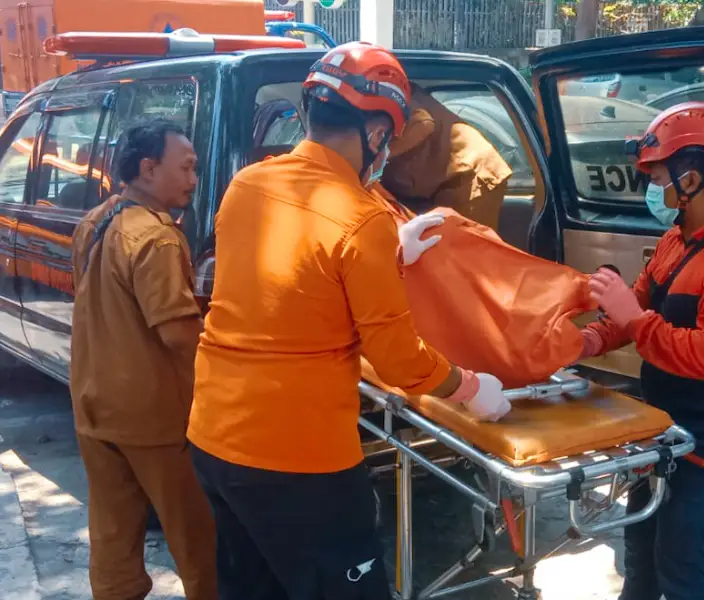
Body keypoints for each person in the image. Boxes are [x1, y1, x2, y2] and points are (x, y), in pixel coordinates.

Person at [187, 41, 512, 599]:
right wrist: (470, 388)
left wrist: (391, 253)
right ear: (378, 133)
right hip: (299, 457)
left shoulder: (248, 184)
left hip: (214, 437)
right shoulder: (361, 218)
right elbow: (399, 362)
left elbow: (290, 285)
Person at [580, 102, 704, 600]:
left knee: (687, 572)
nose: (653, 188)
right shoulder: (675, 241)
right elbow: (634, 306)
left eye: (658, 176)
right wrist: (586, 341)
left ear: (693, 178)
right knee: (641, 556)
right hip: (666, 436)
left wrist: (634, 319)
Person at [70, 118, 216, 600]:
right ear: (149, 169)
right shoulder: (157, 238)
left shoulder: (95, 221)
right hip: (155, 418)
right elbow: (178, 333)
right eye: (187, 167)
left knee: (114, 535)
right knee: (198, 539)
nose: (194, 179)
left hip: (94, 407)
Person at [379, 82, 512, 229]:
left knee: (464, 241)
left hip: (470, 174)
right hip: (440, 184)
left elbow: (423, 123)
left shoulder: (381, 86)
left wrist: (377, 157)